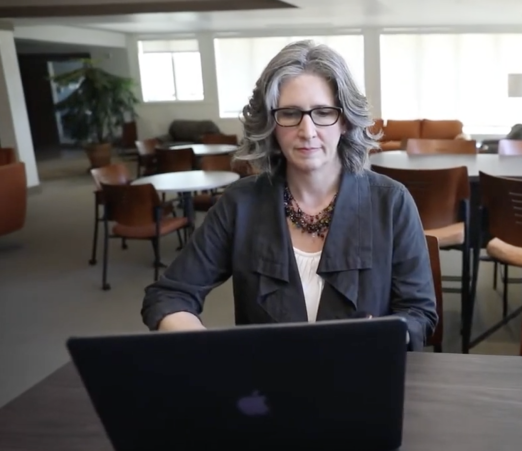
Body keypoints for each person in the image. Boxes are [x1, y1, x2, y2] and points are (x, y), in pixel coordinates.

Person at [140, 40, 438, 350]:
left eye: (323, 113)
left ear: (346, 121)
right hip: (266, 387)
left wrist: (386, 334)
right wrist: (210, 351)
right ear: (270, 123)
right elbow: (168, 295)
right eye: (290, 113)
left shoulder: (391, 202)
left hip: (362, 377)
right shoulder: (240, 203)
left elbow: (419, 313)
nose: (307, 131)